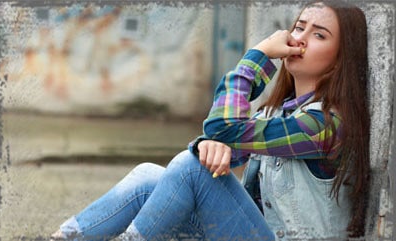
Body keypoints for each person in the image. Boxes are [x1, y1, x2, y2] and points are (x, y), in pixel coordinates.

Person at [51, 0, 370, 240]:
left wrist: (256, 56)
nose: (299, 39)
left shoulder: (325, 126)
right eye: (298, 28)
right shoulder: (273, 115)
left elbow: (220, 130)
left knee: (191, 166)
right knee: (150, 175)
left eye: (318, 35)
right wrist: (209, 145)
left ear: (340, 59)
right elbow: (207, 148)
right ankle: (67, 237)